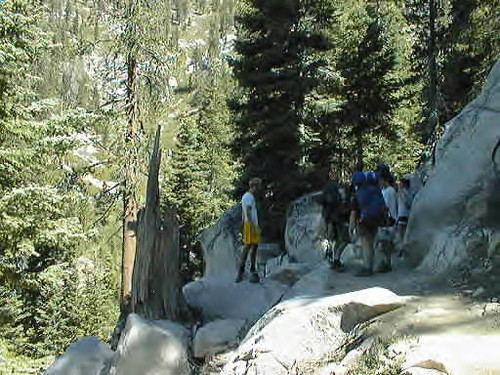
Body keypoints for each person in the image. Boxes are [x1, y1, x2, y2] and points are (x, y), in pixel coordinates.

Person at [349, 171, 388, 276]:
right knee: (374, 243)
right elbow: (383, 206)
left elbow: (354, 212)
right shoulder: (376, 191)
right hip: (376, 220)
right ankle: (382, 263)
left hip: (364, 221)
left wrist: (351, 227)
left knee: (366, 244)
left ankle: (368, 268)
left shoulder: (358, 194)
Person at [322, 175, 351, 272]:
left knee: (338, 240)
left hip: (335, 219)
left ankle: (335, 259)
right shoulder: (335, 191)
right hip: (339, 219)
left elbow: (327, 207)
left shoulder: (330, 190)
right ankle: (336, 259)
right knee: (345, 240)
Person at [236, 178, 262, 283]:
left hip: (250, 224)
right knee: (248, 247)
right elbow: (247, 212)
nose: (259, 189)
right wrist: (252, 227)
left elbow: (244, 214)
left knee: (254, 246)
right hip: (251, 225)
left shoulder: (247, 197)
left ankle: (252, 269)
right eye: (259, 186)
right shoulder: (248, 197)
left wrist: (242, 225)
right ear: (254, 187)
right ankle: (241, 272)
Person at [376, 171, 398, 272]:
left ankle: (387, 263)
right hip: (387, 219)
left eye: (380, 180)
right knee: (384, 242)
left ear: (384, 180)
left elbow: (386, 206)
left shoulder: (389, 191)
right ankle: (386, 263)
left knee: (385, 243)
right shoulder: (387, 191)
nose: (379, 183)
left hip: (388, 220)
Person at [395, 176, 412, 256]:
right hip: (403, 215)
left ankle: (403, 250)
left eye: (400, 184)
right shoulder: (404, 192)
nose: (399, 185)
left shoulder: (404, 192)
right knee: (402, 234)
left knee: (402, 234)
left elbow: (408, 203)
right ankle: (403, 249)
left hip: (403, 215)